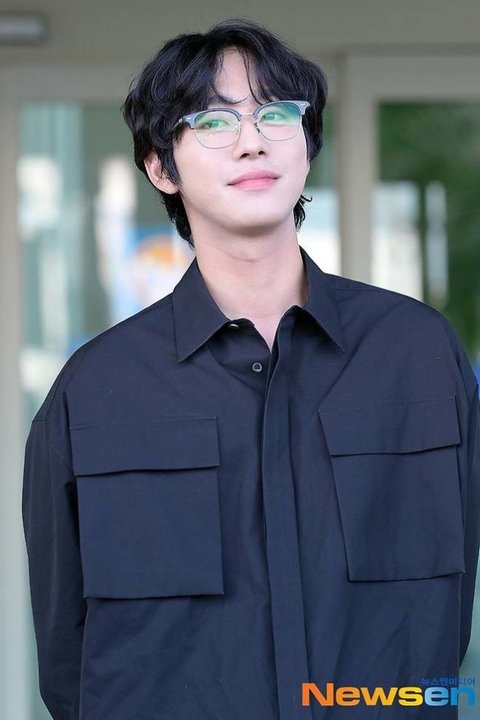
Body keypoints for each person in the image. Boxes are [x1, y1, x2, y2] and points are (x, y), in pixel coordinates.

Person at [22, 17, 480, 720]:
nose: (252, 140)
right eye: (213, 121)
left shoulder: (417, 356)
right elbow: (67, 662)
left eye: (275, 113)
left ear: (307, 145)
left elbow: (450, 616)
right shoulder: (93, 393)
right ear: (160, 167)